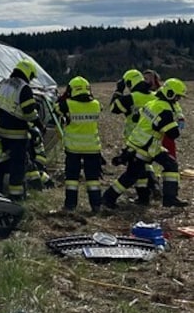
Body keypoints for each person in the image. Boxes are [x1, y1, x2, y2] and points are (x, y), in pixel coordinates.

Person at [103, 78, 188, 211]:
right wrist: (175, 125)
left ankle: (108, 198)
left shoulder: (153, 103)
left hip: (140, 144)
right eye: (177, 97)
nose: (178, 100)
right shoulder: (164, 110)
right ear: (170, 94)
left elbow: (137, 116)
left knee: (134, 174)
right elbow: (173, 134)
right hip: (145, 147)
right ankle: (108, 197)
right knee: (133, 175)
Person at [110, 68, 160, 203]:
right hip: (152, 138)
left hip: (135, 139)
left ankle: (109, 197)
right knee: (144, 166)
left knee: (133, 171)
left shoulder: (131, 98)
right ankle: (147, 194)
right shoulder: (155, 96)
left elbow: (113, 109)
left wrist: (118, 90)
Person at [0, 58, 39, 202]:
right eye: (31, 76)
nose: (31, 79)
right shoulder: (24, 88)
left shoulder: (4, 84)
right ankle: (16, 195)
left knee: (5, 163)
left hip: (2, 132)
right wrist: (37, 120)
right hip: (17, 135)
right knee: (17, 166)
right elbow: (29, 112)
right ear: (28, 72)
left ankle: (1, 189)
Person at [58, 76, 103, 213]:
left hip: (73, 149)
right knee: (93, 180)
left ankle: (70, 205)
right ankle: (96, 206)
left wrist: (62, 97)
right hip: (93, 149)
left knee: (72, 179)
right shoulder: (96, 104)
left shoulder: (67, 104)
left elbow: (56, 109)